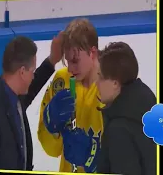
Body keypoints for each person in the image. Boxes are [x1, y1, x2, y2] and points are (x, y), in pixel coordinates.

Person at [65, 42, 157, 175]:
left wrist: (92, 159)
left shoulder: (119, 130)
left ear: (115, 83)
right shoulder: (146, 106)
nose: (96, 83)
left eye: (101, 77)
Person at [0, 35, 63, 170]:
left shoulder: (12, 93)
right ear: (22, 72)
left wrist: (52, 60)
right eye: (32, 71)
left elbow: (33, 86)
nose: (33, 76)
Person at [37, 18, 104, 173]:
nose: (71, 69)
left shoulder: (110, 85)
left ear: (92, 53)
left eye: (75, 61)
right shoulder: (62, 81)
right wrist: (51, 128)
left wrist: (94, 157)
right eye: (67, 61)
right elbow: (52, 151)